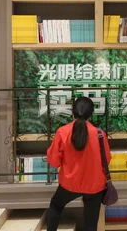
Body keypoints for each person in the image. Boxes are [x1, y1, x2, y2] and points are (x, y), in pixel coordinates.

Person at [46, 97, 112, 231]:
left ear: (72, 112)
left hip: (70, 183)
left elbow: (54, 161)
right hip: (95, 185)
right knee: (91, 223)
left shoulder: (63, 132)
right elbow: (107, 160)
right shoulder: (100, 134)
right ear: (91, 114)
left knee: (56, 206)